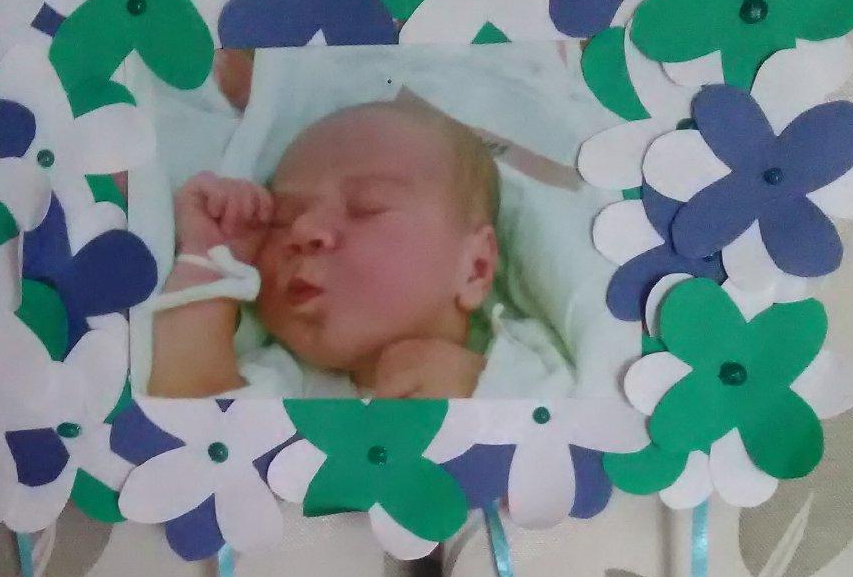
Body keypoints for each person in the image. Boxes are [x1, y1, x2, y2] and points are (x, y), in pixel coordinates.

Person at [147, 98, 566, 399]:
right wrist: (211, 258)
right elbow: (190, 412)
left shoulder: (523, 364)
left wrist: (481, 393)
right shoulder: (290, 383)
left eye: (366, 207)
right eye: (283, 217)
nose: (302, 230)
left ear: (475, 267)